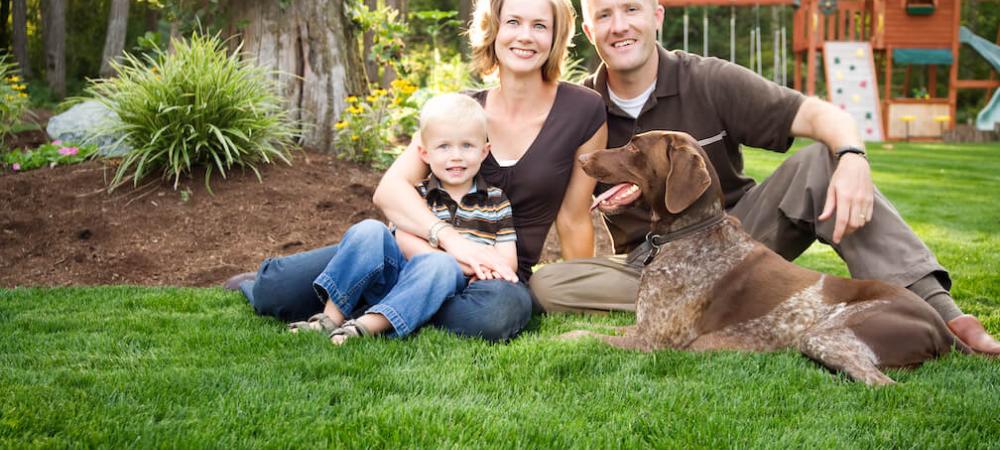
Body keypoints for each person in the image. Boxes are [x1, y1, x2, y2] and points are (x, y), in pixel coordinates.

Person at [529, 0, 1000, 354]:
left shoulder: (709, 80)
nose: (620, 25)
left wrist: (854, 156)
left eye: (631, 9)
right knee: (550, 285)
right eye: (604, 15)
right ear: (590, 31)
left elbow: (818, 115)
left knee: (822, 159)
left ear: (656, 14)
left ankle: (944, 315)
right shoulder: (583, 107)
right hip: (649, 266)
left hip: (738, 244)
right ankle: (682, 311)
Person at [225, 0, 607, 341]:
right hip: (412, 258)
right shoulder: (461, 111)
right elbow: (389, 190)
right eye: (513, 22)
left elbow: (573, 219)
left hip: (491, 279)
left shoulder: (583, 110)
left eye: (540, 25)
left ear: (556, 36)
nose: (525, 36)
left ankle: (373, 307)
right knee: (274, 292)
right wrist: (451, 246)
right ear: (495, 29)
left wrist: (578, 293)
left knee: (499, 314)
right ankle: (393, 304)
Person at [284, 93, 517, 344]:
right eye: (444, 146)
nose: (456, 156)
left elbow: (507, 262)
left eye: (467, 146)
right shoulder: (417, 195)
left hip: (438, 288)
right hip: (396, 273)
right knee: (369, 230)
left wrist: (479, 271)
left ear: (484, 152)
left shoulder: (495, 201)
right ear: (424, 154)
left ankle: (366, 326)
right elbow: (402, 239)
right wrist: (470, 261)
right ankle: (328, 319)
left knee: (440, 266)